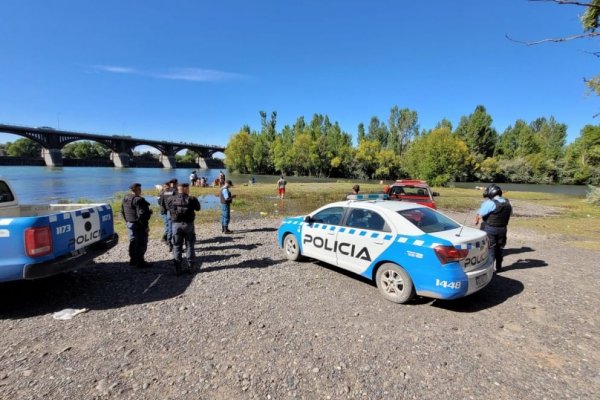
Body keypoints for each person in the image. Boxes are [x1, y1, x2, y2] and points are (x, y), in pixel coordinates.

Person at [474, 184, 513, 272]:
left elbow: (480, 215)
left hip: (490, 228)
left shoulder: (490, 203)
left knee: (490, 248)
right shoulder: (508, 202)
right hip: (503, 229)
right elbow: (510, 214)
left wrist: (476, 220)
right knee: (500, 248)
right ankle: (499, 267)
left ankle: (490, 269)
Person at [167, 182, 201, 274]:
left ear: (178, 189)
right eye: (188, 188)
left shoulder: (171, 199)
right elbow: (198, 208)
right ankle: (191, 267)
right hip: (188, 225)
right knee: (190, 245)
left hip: (176, 225)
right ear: (185, 189)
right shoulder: (192, 199)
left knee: (177, 246)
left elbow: (168, 208)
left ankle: (178, 268)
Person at [121, 182, 153, 268]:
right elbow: (141, 215)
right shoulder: (139, 200)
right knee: (141, 243)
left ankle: (133, 260)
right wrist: (145, 227)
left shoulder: (125, 198)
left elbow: (123, 212)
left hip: (130, 223)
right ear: (136, 190)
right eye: (139, 189)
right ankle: (140, 262)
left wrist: (127, 221)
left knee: (133, 242)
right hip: (138, 225)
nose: (140, 190)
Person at [158, 178, 178, 249]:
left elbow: (161, 202)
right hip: (174, 212)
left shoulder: (164, 191)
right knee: (175, 228)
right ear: (176, 184)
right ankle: (176, 243)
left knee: (169, 227)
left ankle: (169, 241)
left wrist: (165, 210)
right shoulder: (175, 191)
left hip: (168, 211)